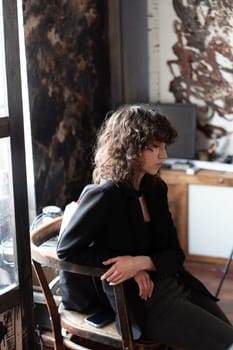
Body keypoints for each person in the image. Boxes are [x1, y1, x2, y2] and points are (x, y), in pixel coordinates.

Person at [57, 104, 233, 350]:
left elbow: (175, 255)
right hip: (143, 304)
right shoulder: (105, 195)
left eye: (164, 146)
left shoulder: (154, 189)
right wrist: (125, 265)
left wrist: (138, 263)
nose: (164, 155)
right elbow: (67, 250)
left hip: (176, 284)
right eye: (155, 147)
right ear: (131, 150)